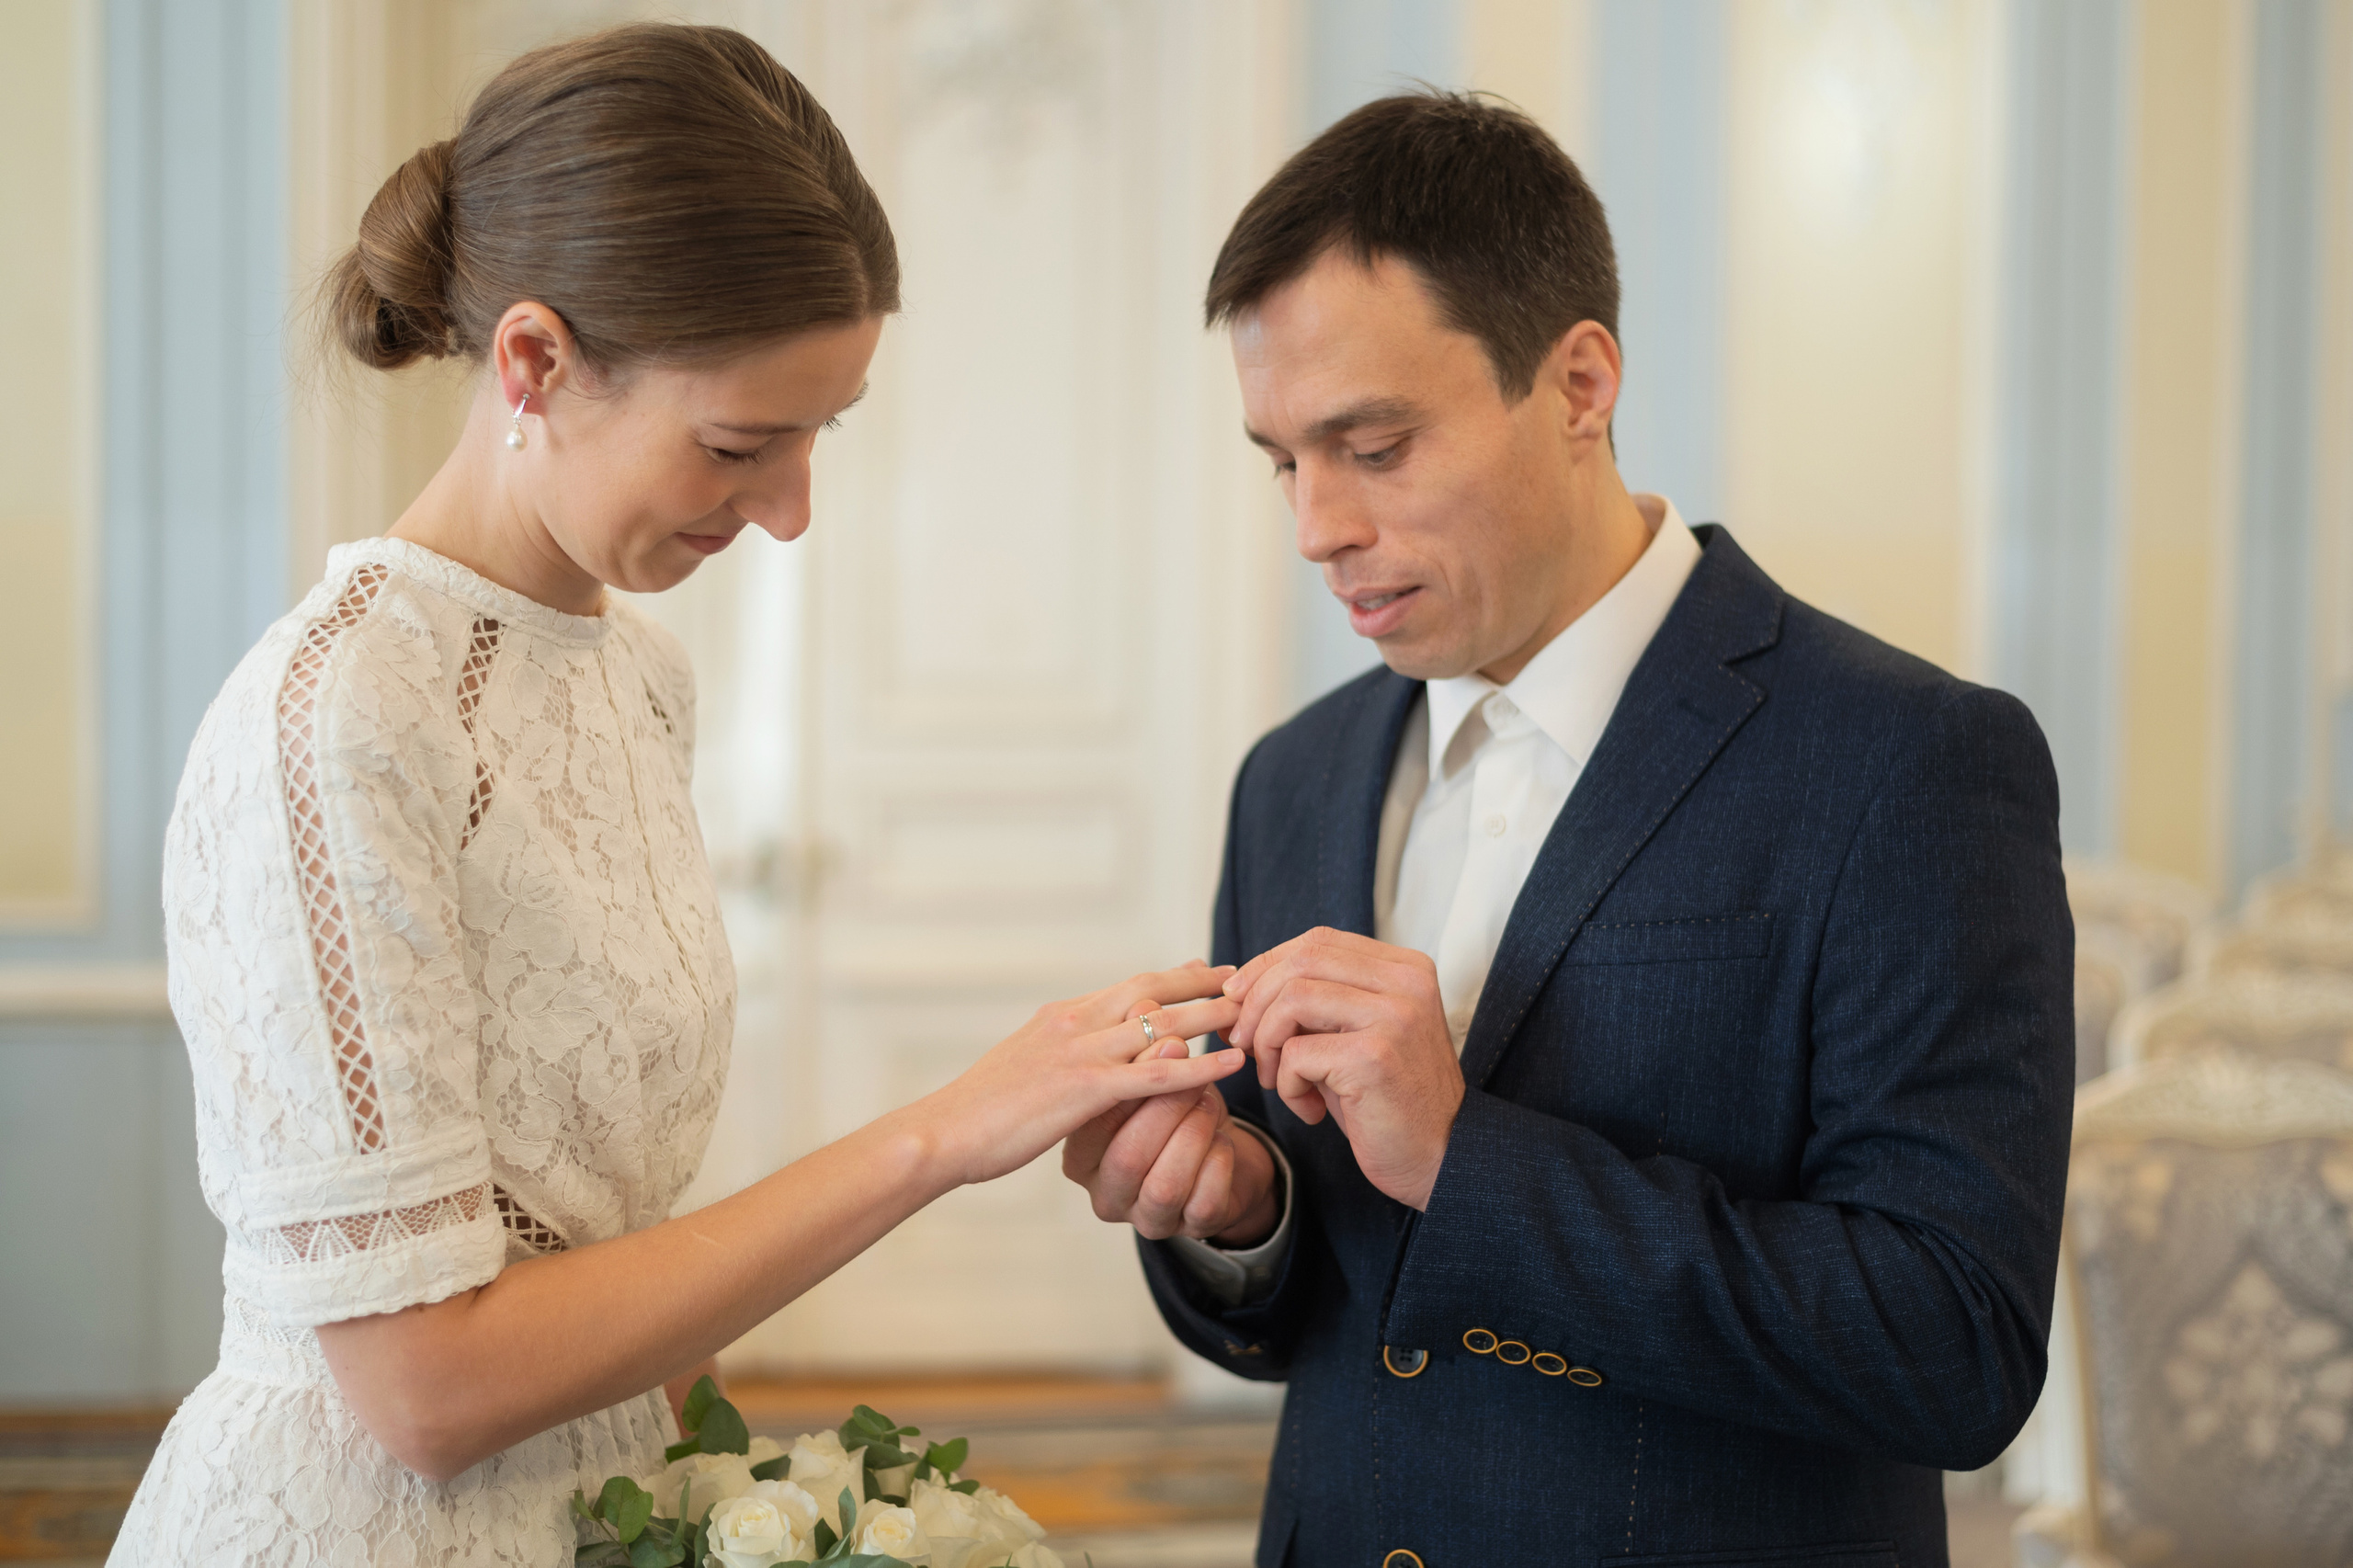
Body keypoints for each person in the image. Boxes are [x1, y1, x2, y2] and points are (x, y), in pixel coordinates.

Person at [108, 25, 1245, 1566]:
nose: (788, 511)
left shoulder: (635, 672)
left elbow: (612, 1231)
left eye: (817, 434)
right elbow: (425, 1388)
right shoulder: (338, 717)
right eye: (737, 443)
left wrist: (741, 1509)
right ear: (533, 361)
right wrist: (941, 1134)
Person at [1063, 92, 2074, 1567]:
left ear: (1580, 384)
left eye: (1377, 444)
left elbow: (1953, 1343)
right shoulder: (1292, 776)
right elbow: (1317, 1327)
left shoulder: (1909, 758)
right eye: (1284, 458)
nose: (1315, 527)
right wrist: (1238, 1210)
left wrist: (1471, 1156)